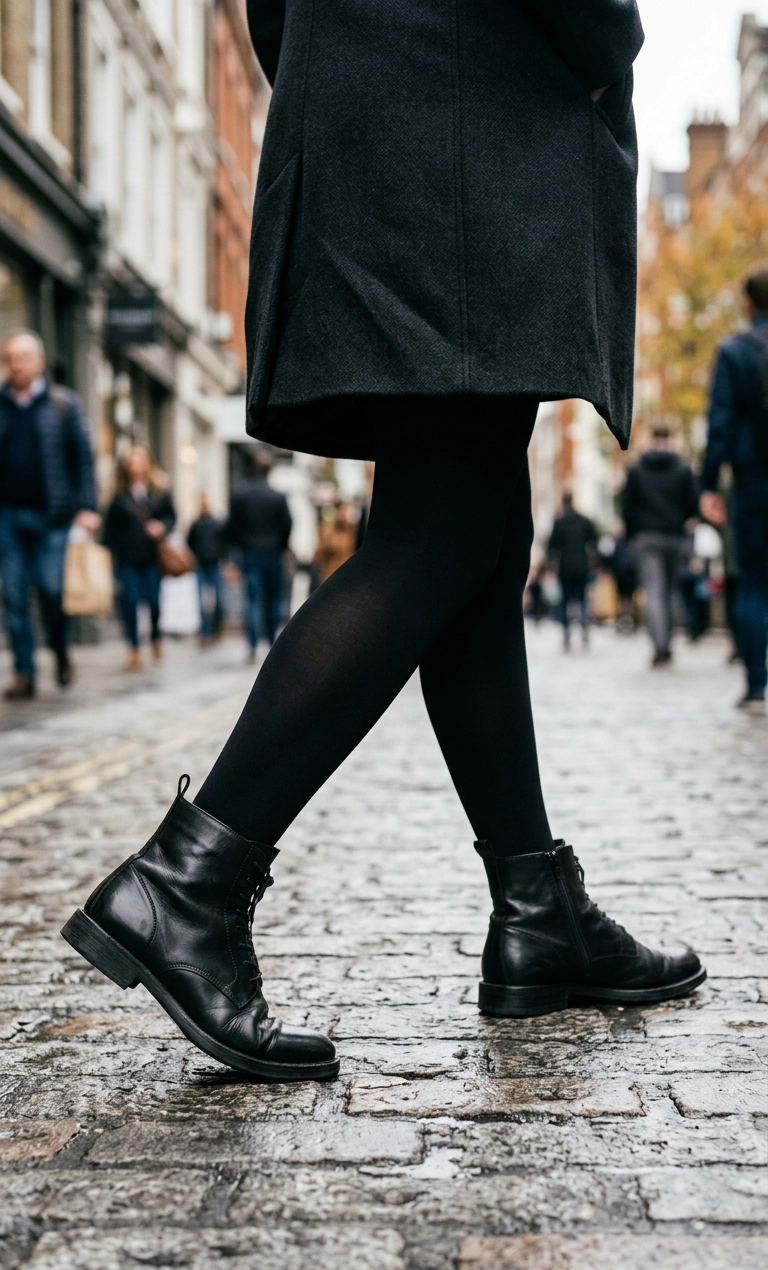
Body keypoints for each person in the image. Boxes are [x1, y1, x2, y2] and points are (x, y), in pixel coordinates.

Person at [63, 0, 705, 1086]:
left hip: (376, 104)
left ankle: (534, 905)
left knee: (481, 539)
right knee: (440, 535)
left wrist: (342, 66)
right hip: (474, 113)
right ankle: (191, 880)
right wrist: (601, 47)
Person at [0, 330, 99, 699]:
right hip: (8, 517)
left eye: (23, 357)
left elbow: (82, 459)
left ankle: (60, 650)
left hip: (53, 518)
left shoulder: (64, 404)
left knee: (52, 590)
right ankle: (24, 672)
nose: (16, 364)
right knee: (13, 596)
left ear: (40, 362)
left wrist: (88, 507)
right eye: (10, 357)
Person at [700, 266, 768, 712]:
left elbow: (719, 422)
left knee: (753, 580)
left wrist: (708, 484)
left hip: (753, 476)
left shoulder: (735, 350)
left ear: (747, 302)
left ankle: (756, 684)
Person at [622, 424, 699, 666]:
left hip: (646, 537)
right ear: (670, 438)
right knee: (671, 591)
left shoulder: (636, 469)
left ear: (652, 438)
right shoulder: (683, 468)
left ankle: (659, 646)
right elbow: (693, 502)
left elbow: (627, 506)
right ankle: (668, 642)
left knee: (653, 592)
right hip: (674, 537)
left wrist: (633, 531)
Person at [103, 445, 175, 671]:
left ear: (147, 464)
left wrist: (162, 527)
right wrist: (110, 555)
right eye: (131, 461)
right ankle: (134, 647)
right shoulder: (119, 496)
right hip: (127, 558)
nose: (135, 465)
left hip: (152, 557)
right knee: (130, 602)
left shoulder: (159, 491)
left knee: (154, 602)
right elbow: (109, 531)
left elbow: (172, 517)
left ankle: (155, 637)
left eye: (139, 460)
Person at [227, 449, 292, 662]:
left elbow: (232, 527)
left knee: (253, 600)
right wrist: (281, 547)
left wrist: (239, 549)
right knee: (273, 600)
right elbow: (287, 525)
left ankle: (253, 645)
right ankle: (272, 642)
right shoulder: (278, 496)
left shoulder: (240, 494)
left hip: (250, 554)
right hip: (273, 555)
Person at [547, 492, 597, 649]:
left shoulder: (559, 522)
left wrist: (550, 565)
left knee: (565, 601)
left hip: (565, 567)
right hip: (582, 566)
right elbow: (593, 542)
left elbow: (552, 547)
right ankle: (584, 626)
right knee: (582, 598)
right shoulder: (584, 520)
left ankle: (567, 634)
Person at [188, 493, 226, 644]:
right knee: (202, 600)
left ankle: (217, 627)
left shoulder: (217, 523)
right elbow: (190, 543)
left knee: (219, 599)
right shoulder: (195, 525)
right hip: (201, 565)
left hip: (215, 564)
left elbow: (223, 543)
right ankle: (205, 632)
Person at [314, 501, 359, 584]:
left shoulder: (352, 529)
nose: (344, 514)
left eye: (346, 511)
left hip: (347, 575)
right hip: (330, 574)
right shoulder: (327, 529)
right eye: (342, 510)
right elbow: (321, 552)